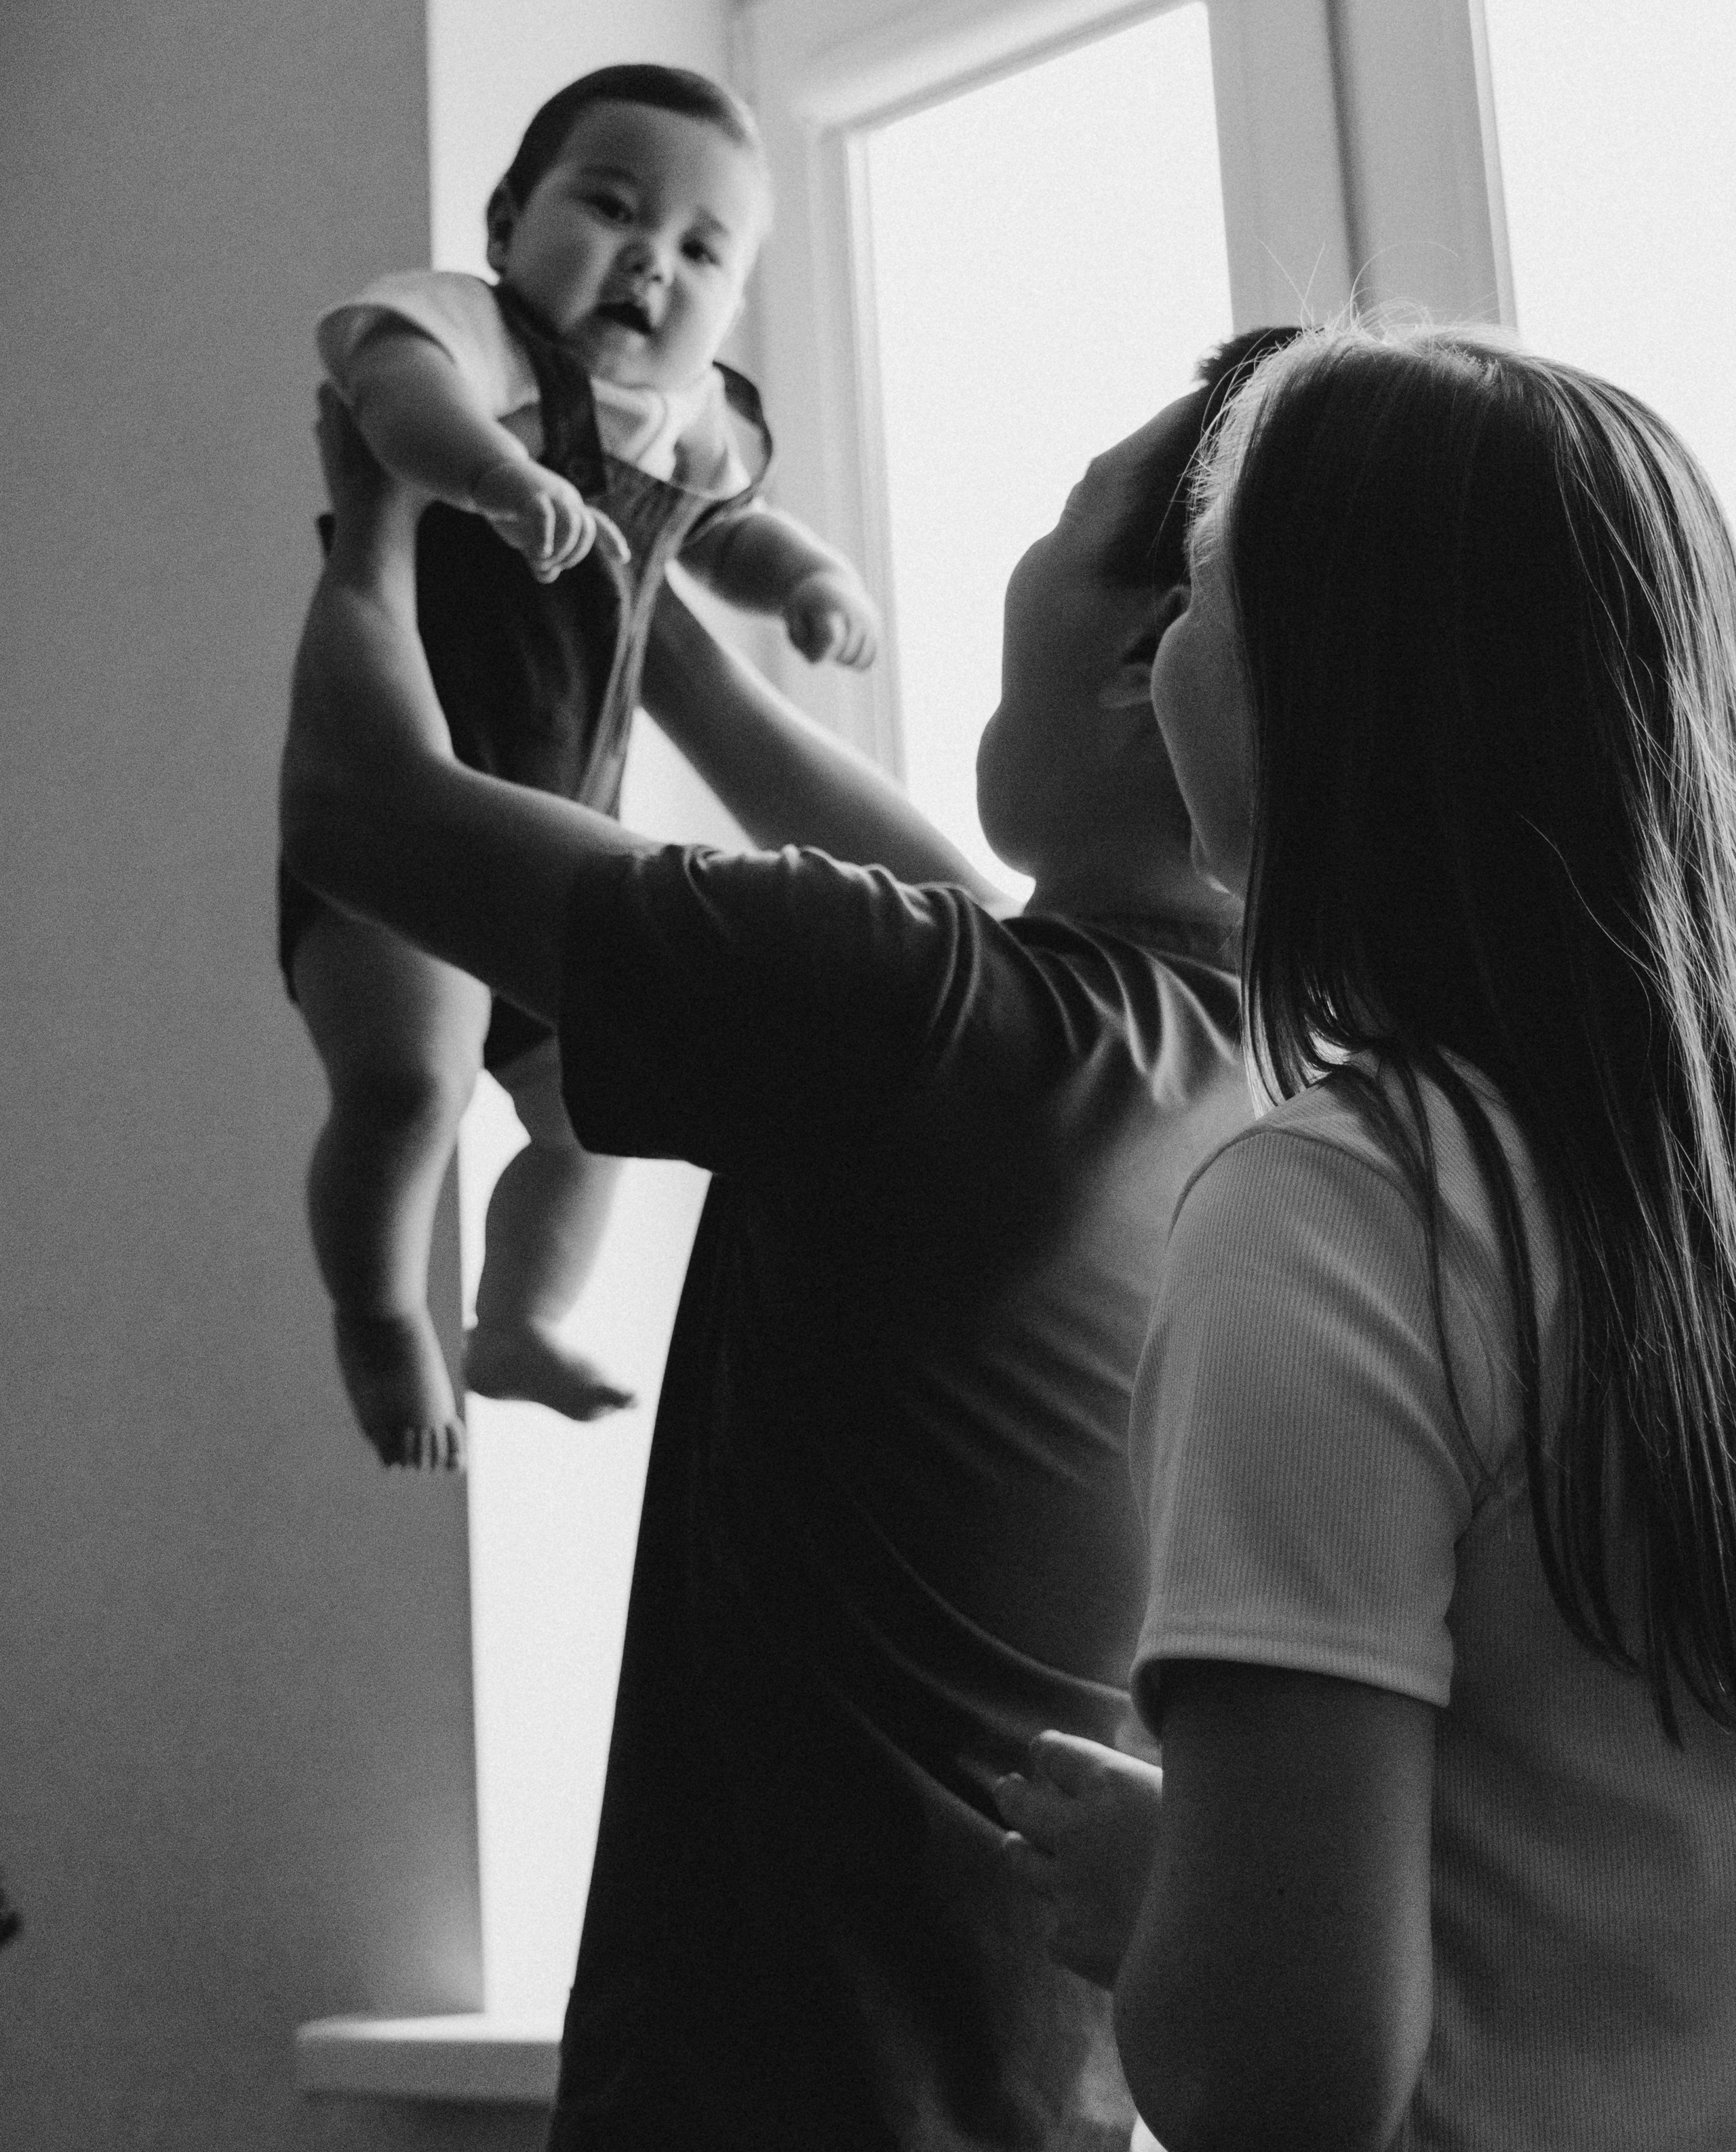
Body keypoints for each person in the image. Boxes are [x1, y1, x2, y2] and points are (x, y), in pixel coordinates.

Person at [279, 326, 1297, 2150]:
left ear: (1150, 663)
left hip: (762, 2090)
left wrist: (370, 523)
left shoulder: (938, 1021)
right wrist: (629, 567)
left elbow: (357, 813)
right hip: (1031, 2096)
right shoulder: (1229, 1067)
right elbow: (917, 890)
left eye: (1070, 512)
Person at [997, 325, 1736, 2151]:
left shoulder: (1336, 1213)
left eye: (1207, 595)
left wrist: (1168, 1895)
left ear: (1318, 701)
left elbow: (1279, 2084)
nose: (1156, 647)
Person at [281, 63, 880, 1467]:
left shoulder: (690, 425)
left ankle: (518, 1315)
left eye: (697, 249)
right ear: (504, 221)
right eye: (609, 209)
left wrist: (807, 580)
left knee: (599, 1105)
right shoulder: (474, 341)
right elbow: (390, 392)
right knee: (407, 1090)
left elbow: (723, 535)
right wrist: (493, 476)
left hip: (551, 838)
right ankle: (379, 1312)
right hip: (405, 814)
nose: (646, 263)